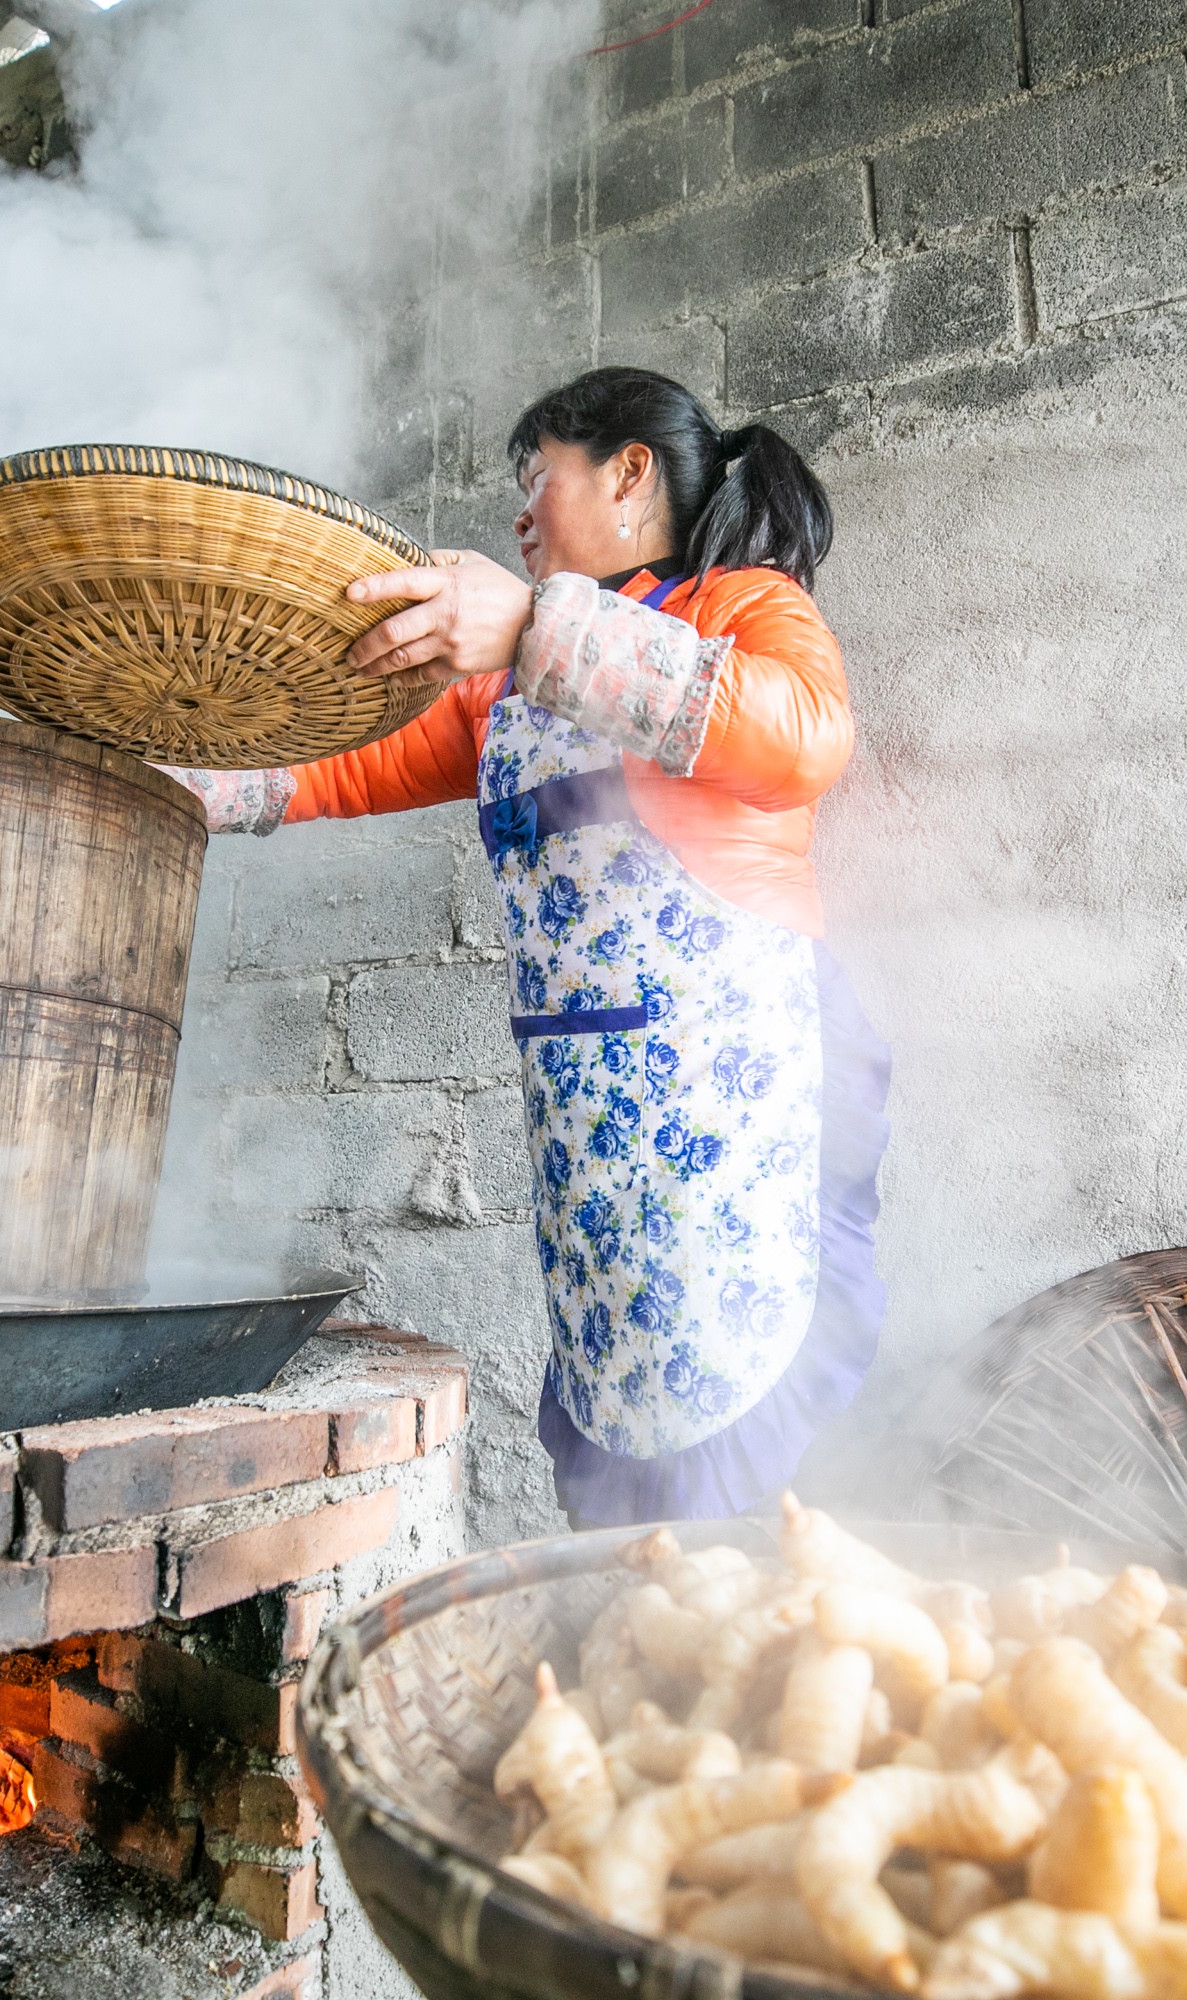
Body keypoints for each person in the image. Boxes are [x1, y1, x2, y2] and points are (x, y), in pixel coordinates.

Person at [171, 367, 887, 1527]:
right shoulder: (506, 688)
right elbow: (347, 766)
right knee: (618, 1442)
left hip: (735, 1105)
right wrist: (177, 783)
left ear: (629, 472)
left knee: (743, 1447)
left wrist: (535, 623)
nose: (518, 516)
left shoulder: (741, 605)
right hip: (590, 1129)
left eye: (537, 478)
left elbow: (803, 740)